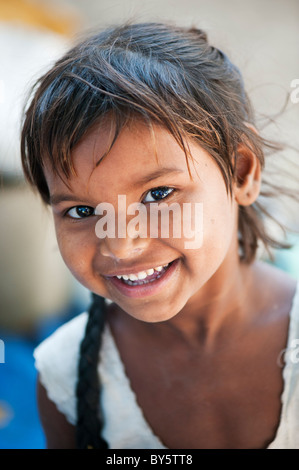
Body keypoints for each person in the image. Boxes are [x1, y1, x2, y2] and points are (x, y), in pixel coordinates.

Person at [21, 22, 299, 449]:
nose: (120, 244)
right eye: (81, 210)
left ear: (242, 172)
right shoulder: (66, 379)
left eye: (157, 194)